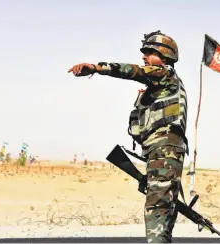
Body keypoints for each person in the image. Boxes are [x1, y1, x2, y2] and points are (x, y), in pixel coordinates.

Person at [68, 30, 189, 243]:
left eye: (149, 52)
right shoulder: (159, 87)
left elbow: (132, 71)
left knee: (157, 209)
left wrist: (97, 68)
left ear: (164, 55)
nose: (143, 56)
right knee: (162, 208)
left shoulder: (165, 74)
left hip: (165, 150)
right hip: (159, 152)